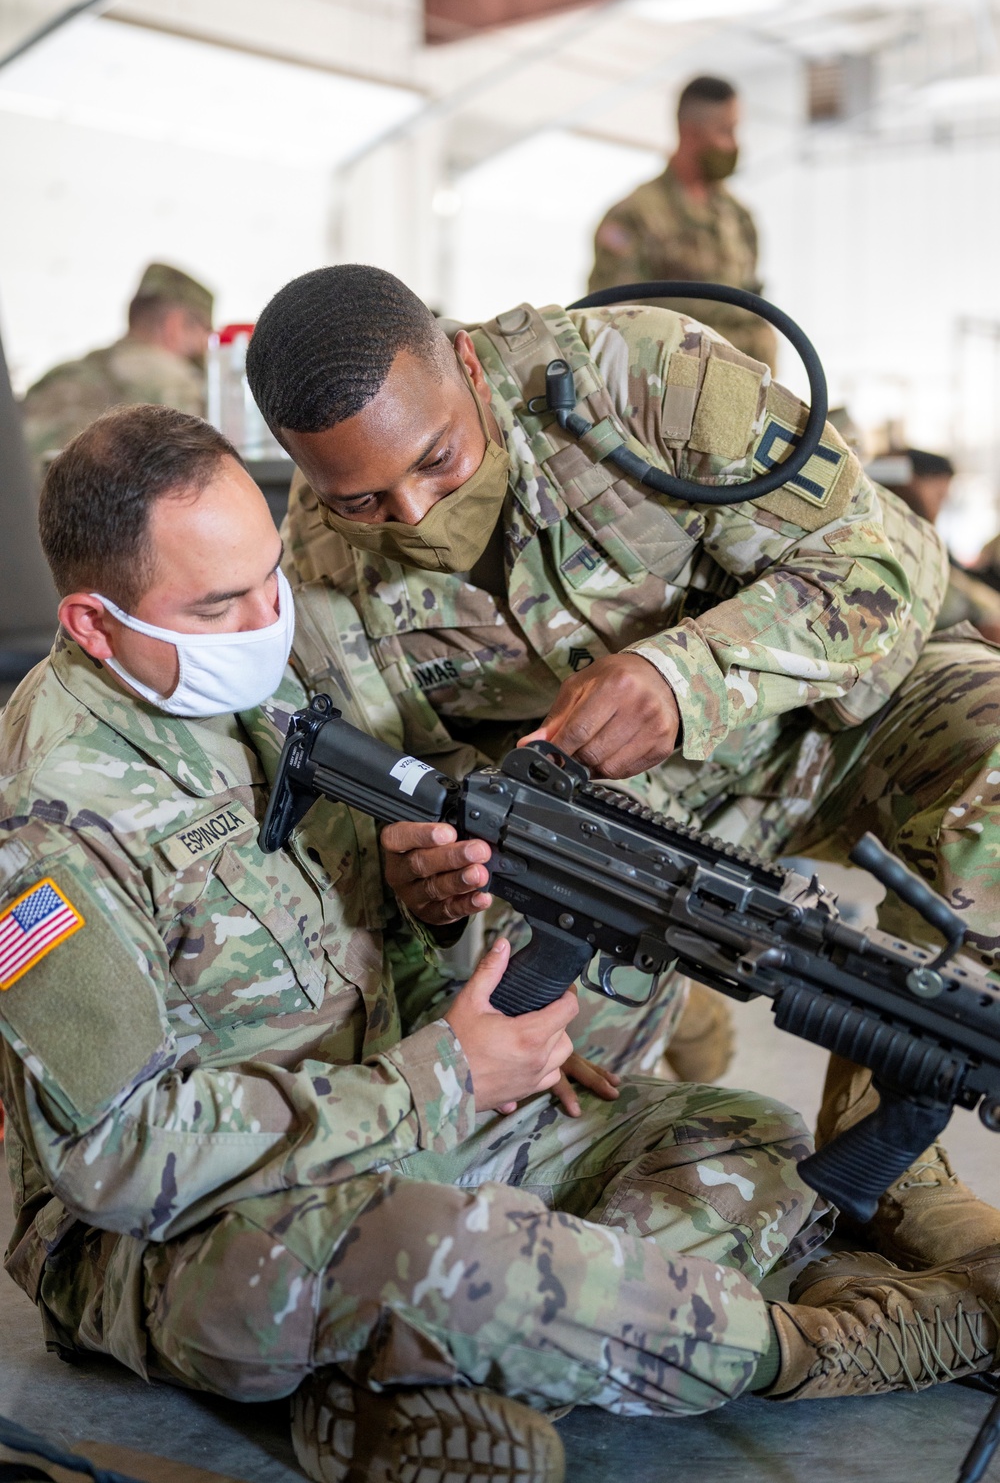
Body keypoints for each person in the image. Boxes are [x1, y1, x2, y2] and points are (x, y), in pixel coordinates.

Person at [3, 409, 999, 1483]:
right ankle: (816, 1350)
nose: (266, 620)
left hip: (408, 1125)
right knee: (450, 1259)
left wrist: (439, 927)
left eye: (270, 578)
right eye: (217, 604)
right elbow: (119, 1157)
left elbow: (367, 923)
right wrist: (441, 1078)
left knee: (737, 1138)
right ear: (95, 626)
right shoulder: (45, 828)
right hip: (191, 1225)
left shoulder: (271, 678)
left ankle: (409, 1372)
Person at [244, 262, 1000, 1277]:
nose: (416, 514)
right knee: (514, 1139)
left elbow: (882, 564)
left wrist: (688, 673)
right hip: (610, 858)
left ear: (466, 364)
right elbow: (402, 790)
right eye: (366, 499)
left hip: (832, 734)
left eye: (438, 460)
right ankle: (685, 1039)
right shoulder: (319, 579)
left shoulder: (639, 377)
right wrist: (423, 876)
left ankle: (897, 1180)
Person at [587, 75, 776, 367]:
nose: (734, 144)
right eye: (725, 131)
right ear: (690, 134)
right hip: (669, 390)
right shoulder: (634, 217)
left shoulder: (738, 217)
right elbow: (611, 322)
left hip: (743, 384)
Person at [19, 262, 213, 477]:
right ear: (174, 326)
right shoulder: (175, 381)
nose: (205, 346)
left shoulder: (62, 374)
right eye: (204, 332)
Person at [868, 448, 1000, 643]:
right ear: (911, 484)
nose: (938, 508)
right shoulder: (900, 533)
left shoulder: (923, 539)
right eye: (938, 496)